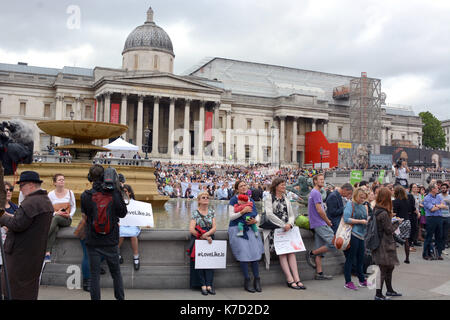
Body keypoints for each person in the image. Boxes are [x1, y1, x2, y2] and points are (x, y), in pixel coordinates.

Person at [0, 170, 53, 300]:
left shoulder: (30, 203)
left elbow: (17, 224)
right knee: (28, 289)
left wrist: (1, 215)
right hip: (33, 254)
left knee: (13, 289)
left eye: (21, 185)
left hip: (20, 255)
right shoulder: (45, 201)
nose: (20, 189)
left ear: (30, 185)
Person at [81, 164, 128, 300]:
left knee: (94, 275)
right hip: (111, 240)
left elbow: (86, 214)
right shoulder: (113, 194)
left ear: (90, 177)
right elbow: (123, 213)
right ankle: (120, 298)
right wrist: (119, 190)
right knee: (116, 274)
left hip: (93, 240)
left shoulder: (86, 195)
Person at [261, 178, 306, 290]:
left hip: (287, 229)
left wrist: (290, 224)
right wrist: (283, 225)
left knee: (291, 253)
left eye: (284, 185)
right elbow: (269, 214)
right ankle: (289, 279)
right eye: (282, 185)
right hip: (276, 230)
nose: (284, 187)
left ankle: (297, 279)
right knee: (282, 253)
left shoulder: (286, 198)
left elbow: (291, 214)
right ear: (276, 186)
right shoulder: (269, 198)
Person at [228, 180, 264, 293]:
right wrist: (242, 212)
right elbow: (231, 217)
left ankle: (257, 279)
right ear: (237, 189)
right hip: (237, 228)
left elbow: (257, 215)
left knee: (254, 253)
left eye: (245, 185)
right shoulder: (234, 199)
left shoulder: (251, 199)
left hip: (250, 228)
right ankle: (247, 279)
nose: (243, 187)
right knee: (243, 254)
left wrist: (255, 221)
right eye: (241, 186)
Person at [371, 187, 402, 300]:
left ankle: (389, 290)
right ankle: (378, 294)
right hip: (384, 244)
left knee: (389, 267)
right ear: (386, 198)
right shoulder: (383, 212)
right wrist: (397, 222)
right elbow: (389, 230)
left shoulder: (377, 209)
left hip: (382, 243)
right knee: (383, 269)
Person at [305, 174, 336, 280]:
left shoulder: (313, 192)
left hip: (316, 223)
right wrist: (328, 221)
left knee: (320, 248)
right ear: (315, 181)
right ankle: (311, 253)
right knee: (335, 243)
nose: (323, 181)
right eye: (320, 180)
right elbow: (319, 210)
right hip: (320, 223)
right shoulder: (316, 193)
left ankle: (319, 273)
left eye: (323, 179)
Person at [188, 191, 217, 295]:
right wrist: (203, 236)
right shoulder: (195, 213)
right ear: (199, 200)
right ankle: (202, 284)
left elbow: (214, 227)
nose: (206, 199)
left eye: (207, 197)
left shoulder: (211, 211)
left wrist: (207, 235)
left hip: (209, 237)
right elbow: (191, 229)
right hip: (199, 238)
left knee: (210, 261)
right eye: (203, 197)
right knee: (199, 263)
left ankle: (209, 284)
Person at [45, 174, 76, 261]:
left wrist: (70, 215)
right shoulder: (50, 194)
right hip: (56, 218)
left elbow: (74, 207)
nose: (62, 181)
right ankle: (47, 253)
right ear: (55, 183)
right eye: (59, 180)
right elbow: (48, 209)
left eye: (63, 179)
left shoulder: (70, 193)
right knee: (55, 228)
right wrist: (56, 213)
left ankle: (43, 236)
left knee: (56, 218)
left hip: (66, 219)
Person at [342, 187, 368, 290]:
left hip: (361, 235)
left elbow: (364, 218)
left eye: (364, 198)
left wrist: (366, 221)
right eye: (361, 197)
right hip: (353, 234)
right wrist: (361, 221)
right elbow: (346, 219)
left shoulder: (362, 206)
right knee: (351, 258)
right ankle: (348, 281)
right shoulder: (350, 204)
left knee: (360, 258)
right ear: (356, 195)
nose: (362, 199)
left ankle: (361, 280)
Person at [118, 184, 141, 271]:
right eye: (122, 191)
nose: (123, 193)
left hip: (132, 225)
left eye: (125, 191)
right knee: (120, 234)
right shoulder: (119, 202)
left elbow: (139, 215)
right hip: (122, 224)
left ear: (130, 193)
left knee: (133, 235)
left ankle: (136, 256)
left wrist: (146, 222)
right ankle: (117, 253)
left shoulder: (134, 203)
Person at [422, 183, 447, 261]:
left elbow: (445, 206)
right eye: (436, 188)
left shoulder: (439, 197)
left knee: (439, 236)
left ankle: (438, 254)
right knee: (429, 237)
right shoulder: (427, 198)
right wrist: (439, 206)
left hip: (439, 218)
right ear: (432, 189)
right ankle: (426, 254)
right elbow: (431, 209)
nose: (438, 189)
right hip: (431, 218)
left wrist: (437, 205)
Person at [392, 185, 412, 264]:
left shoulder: (395, 201)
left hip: (398, 222)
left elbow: (394, 213)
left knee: (393, 240)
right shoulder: (407, 200)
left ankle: (394, 258)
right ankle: (407, 258)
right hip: (407, 221)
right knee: (406, 240)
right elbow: (410, 210)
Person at [440, 183, 450, 253]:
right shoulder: (438, 196)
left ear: (447, 189)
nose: (443, 189)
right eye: (442, 188)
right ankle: (438, 247)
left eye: (444, 188)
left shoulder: (449, 197)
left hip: (447, 217)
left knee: (445, 234)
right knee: (439, 233)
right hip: (439, 216)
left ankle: (442, 248)